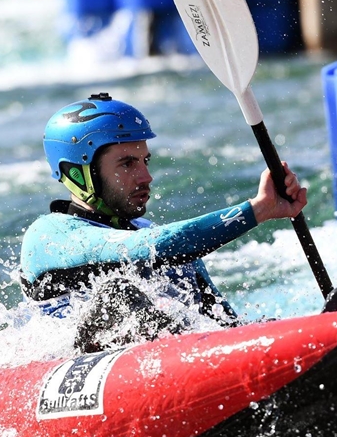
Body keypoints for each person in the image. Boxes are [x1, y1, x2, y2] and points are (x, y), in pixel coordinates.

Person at [19, 92, 308, 352]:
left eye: (145, 161)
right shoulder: (49, 235)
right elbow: (145, 249)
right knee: (118, 296)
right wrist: (257, 210)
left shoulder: (152, 233)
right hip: (83, 369)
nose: (146, 177)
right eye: (127, 163)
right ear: (78, 172)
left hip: (170, 363)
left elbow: (223, 323)